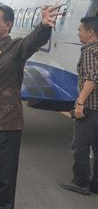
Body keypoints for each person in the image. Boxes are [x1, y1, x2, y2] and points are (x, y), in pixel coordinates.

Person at [0, 2, 60, 208]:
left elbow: (33, 41)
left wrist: (44, 25)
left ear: (8, 25)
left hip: (5, 129)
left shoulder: (15, 48)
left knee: (3, 186)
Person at [59, 16, 98, 195]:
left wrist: (80, 103)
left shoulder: (90, 51)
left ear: (90, 32)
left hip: (90, 108)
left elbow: (92, 78)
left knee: (80, 145)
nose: (78, 32)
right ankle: (95, 183)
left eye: (80, 29)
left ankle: (81, 182)